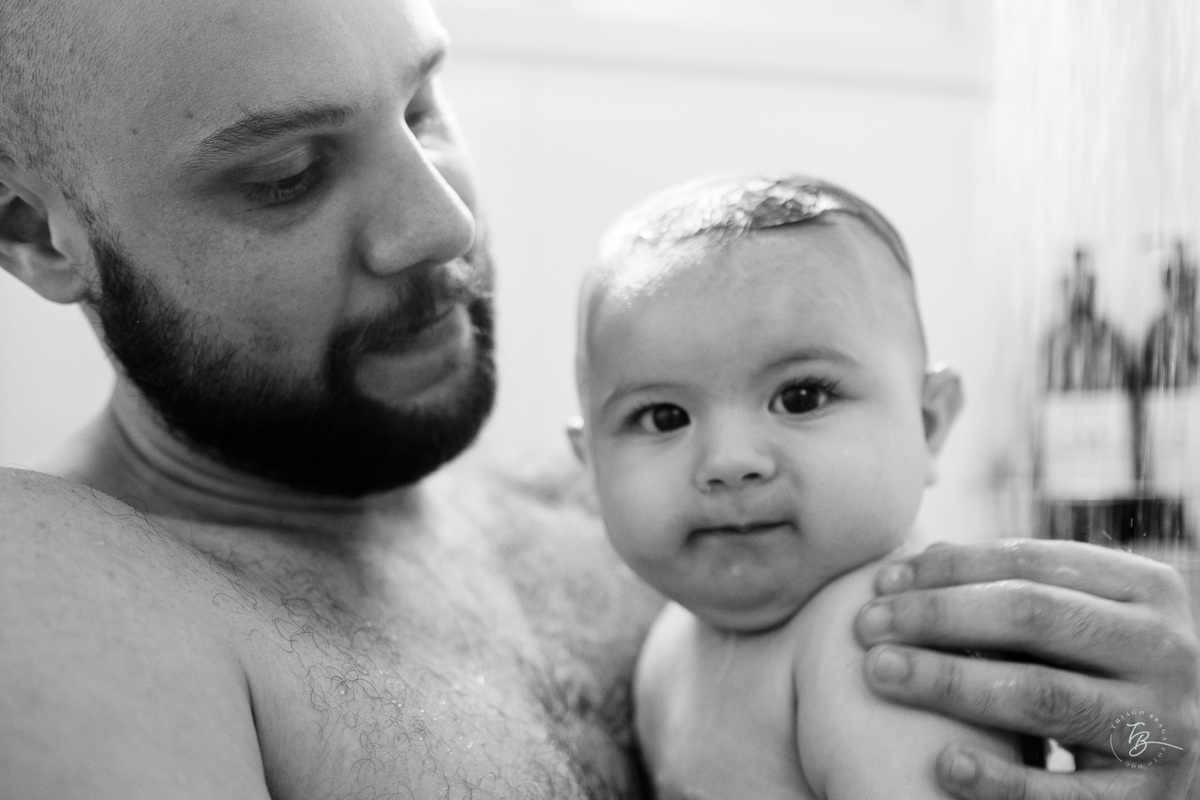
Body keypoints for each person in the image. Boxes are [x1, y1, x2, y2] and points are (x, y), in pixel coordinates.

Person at [0, 0, 1195, 798]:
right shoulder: (58, 597)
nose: (441, 222)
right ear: (36, 235)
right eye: (288, 173)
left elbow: (1108, 747)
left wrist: (1154, 744)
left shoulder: (635, 527)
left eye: (422, 108)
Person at [567, 172, 1021, 797]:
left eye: (801, 397)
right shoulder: (673, 635)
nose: (729, 461)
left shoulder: (879, 641)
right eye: (664, 417)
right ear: (589, 465)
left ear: (927, 424)